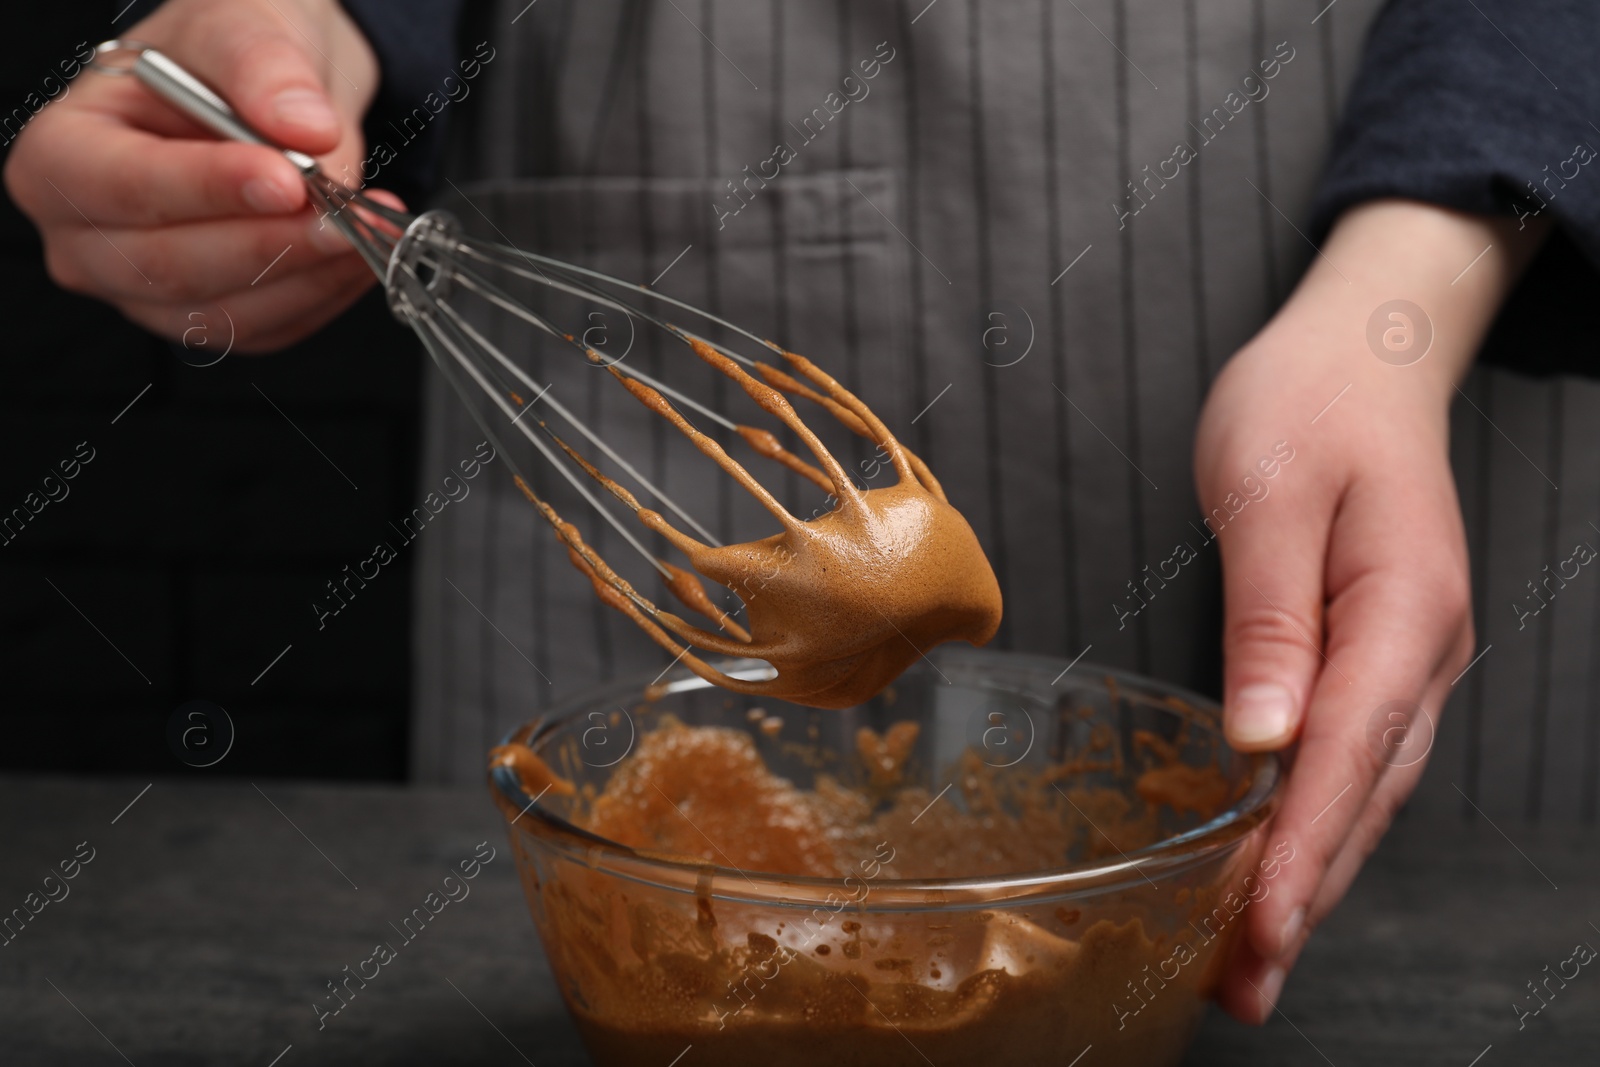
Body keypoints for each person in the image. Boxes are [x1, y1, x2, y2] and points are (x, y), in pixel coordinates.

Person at [6, 0, 1596, 1027]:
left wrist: (1410, 290)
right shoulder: (594, 419)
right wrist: (306, 24)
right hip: (687, 164)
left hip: (1384, 268)